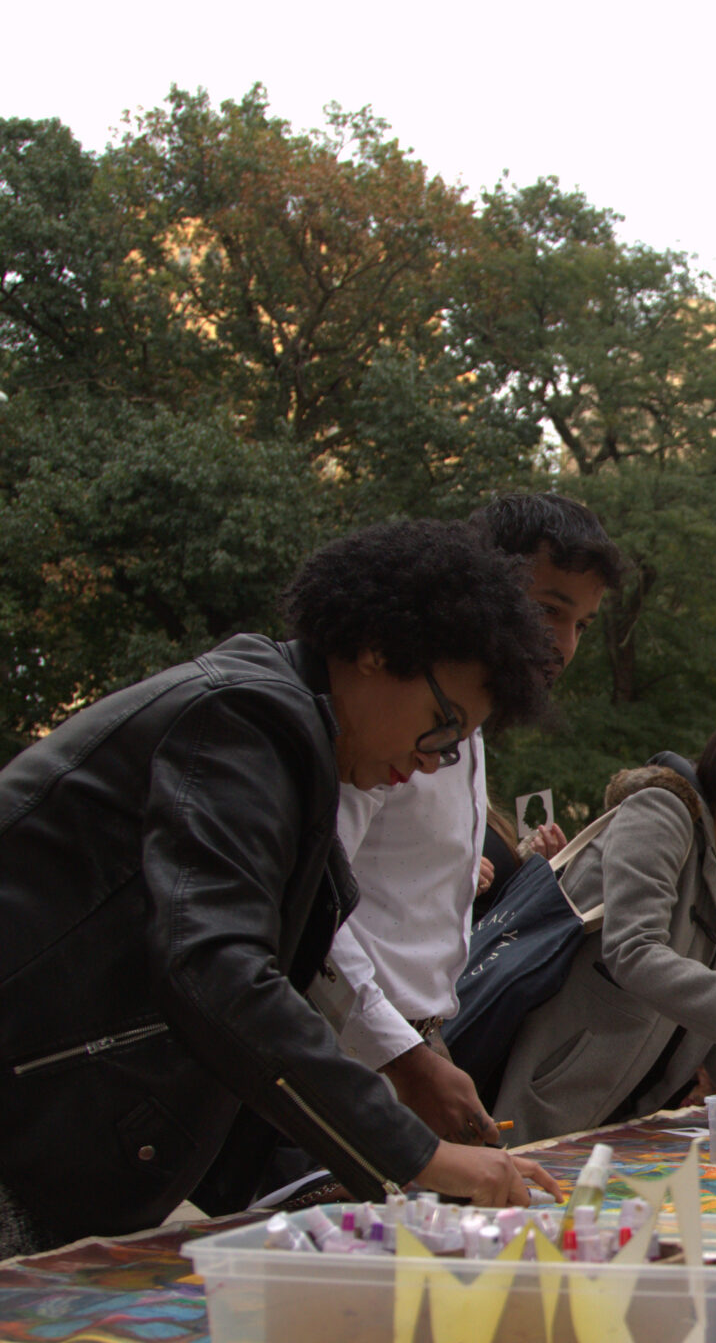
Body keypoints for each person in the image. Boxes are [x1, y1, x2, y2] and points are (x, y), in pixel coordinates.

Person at [0, 521, 564, 1256]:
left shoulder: (284, 737)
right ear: (373, 649)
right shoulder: (246, 717)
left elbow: (264, 984)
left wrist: (402, 1079)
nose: (433, 762)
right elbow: (217, 970)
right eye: (440, 724)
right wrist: (416, 1154)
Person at [330, 491, 621, 1145]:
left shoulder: (472, 731)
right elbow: (311, 911)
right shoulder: (388, 717)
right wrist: (400, 1057)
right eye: (549, 611)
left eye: (583, 624)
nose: (563, 645)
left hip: (415, 1053)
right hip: (351, 1061)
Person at [494, 697, 716, 1142]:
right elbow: (632, 950)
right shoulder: (661, 812)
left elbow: (712, 1014)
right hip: (557, 1097)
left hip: (636, 1116)